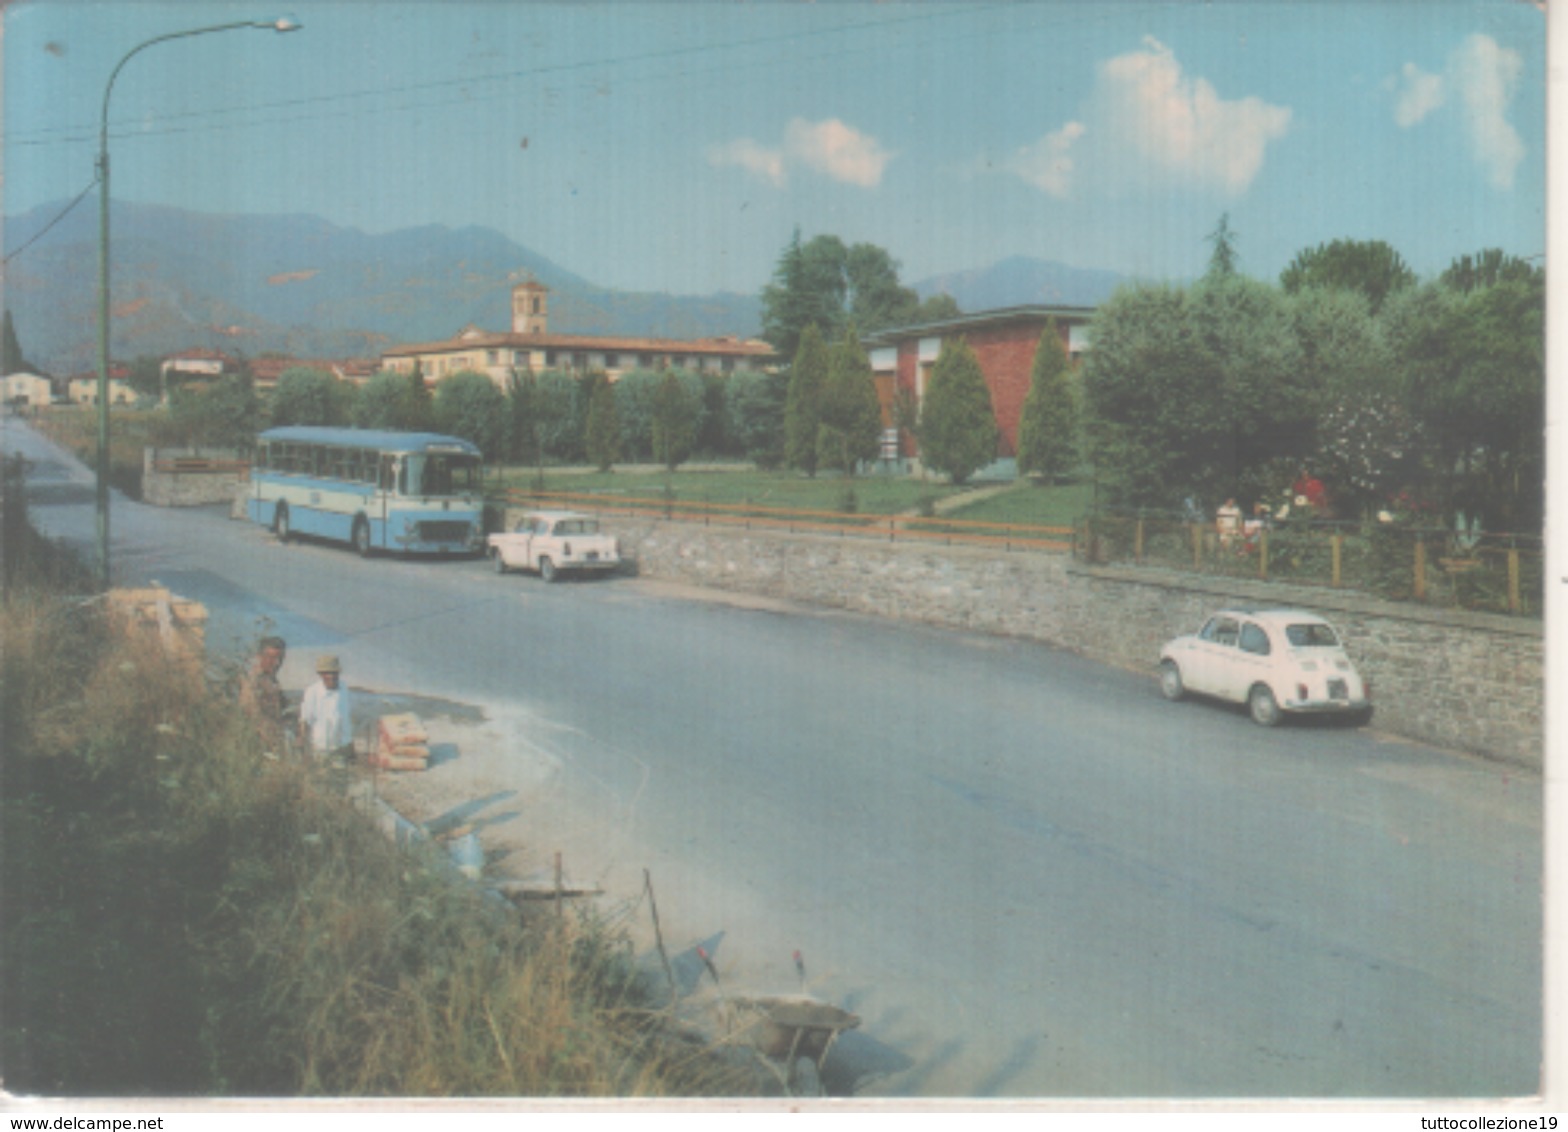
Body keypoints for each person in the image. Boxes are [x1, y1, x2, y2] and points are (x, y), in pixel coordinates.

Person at [299, 655, 355, 763]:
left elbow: (346, 719)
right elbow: (305, 721)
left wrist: (351, 747)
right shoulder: (312, 691)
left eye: (334, 672)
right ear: (321, 674)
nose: (331, 676)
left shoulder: (344, 688)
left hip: (342, 747)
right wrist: (305, 751)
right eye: (327, 673)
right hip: (320, 748)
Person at [239, 635, 289, 754]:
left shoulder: (272, 681)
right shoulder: (253, 680)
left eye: (280, 658)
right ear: (259, 656)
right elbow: (251, 715)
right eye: (271, 658)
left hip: (273, 744)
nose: (276, 663)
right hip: (260, 747)